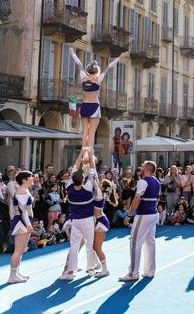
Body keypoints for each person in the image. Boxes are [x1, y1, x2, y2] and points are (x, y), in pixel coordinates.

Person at [69, 47, 124, 161]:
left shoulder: (83, 77)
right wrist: (118, 58)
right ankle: (89, 152)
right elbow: (108, 67)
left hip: (84, 106)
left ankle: (84, 150)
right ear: (96, 71)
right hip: (94, 107)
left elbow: (79, 65)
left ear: (88, 70)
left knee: (85, 131)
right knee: (92, 132)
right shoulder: (98, 80)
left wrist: (73, 54)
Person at [120, 161, 161, 281]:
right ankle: (150, 271)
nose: (140, 168)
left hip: (144, 215)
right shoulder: (157, 181)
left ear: (147, 169)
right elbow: (156, 199)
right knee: (150, 243)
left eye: (142, 167)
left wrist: (129, 214)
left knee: (135, 244)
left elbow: (137, 198)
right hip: (153, 214)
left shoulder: (143, 182)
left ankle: (133, 273)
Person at [60, 151, 97, 281]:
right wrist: (91, 156)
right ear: (82, 179)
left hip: (75, 220)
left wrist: (81, 154)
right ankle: (91, 268)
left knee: (74, 245)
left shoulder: (68, 187)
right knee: (89, 244)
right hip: (87, 220)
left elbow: (74, 169)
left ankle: (71, 271)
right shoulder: (87, 188)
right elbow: (92, 170)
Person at [7, 170, 34, 284]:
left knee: (22, 249)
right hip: (22, 222)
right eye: (31, 177)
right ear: (24, 180)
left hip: (24, 221)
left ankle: (16, 273)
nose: (33, 178)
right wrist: (28, 225)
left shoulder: (24, 190)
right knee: (18, 250)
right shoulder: (22, 191)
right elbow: (23, 212)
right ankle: (12, 276)